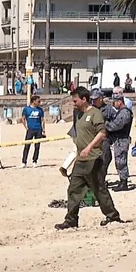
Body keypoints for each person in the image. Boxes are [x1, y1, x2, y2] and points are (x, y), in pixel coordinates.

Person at [55, 87, 123, 230]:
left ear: (84, 99)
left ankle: (112, 216)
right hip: (80, 160)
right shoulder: (78, 114)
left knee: (98, 189)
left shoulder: (95, 113)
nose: (73, 103)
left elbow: (102, 133)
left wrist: (89, 147)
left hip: (94, 158)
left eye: (75, 101)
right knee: (73, 189)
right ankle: (71, 220)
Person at [105, 94, 133, 192]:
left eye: (114, 102)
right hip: (119, 139)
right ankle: (122, 181)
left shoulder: (125, 112)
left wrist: (106, 124)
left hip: (122, 140)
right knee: (119, 161)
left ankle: (124, 182)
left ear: (120, 102)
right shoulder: (121, 112)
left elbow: (117, 125)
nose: (113, 104)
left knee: (121, 161)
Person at [90, 88, 115, 181]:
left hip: (104, 139)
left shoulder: (108, 109)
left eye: (95, 99)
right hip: (92, 139)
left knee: (105, 159)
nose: (93, 101)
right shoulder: (90, 109)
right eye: (92, 99)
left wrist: (107, 126)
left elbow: (116, 121)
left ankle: (101, 180)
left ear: (101, 98)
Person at [20, 95, 45, 168]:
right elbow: (23, 118)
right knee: (27, 146)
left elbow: (43, 120)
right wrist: (26, 127)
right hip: (30, 129)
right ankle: (24, 162)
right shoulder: (27, 109)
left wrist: (43, 130)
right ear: (34, 101)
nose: (39, 103)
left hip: (38, 129)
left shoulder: (40, 110)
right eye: (38, 101)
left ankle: (35, 161)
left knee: (37, 146)